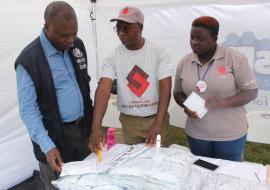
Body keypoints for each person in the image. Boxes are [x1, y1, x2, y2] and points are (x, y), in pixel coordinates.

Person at [15, 1, 93, 189]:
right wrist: (48, 146)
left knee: (89, 182)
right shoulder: (29, 60)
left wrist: (93, 126)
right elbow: (28, 110)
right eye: (64, 35)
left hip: (82, 132)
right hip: (55, 138)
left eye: (74, 33)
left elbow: (84, 84)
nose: (71, 40)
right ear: (46, 27)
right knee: (59, 185)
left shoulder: (77, 45)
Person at [89, 6, 174, 152]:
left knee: (159, 161)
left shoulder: (159, 52)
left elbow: (166, 88)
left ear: (140, 27)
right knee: (133, 163)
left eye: (126, 28)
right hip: (129, 122)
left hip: (156, 119)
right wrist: (96, 127)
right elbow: (103, 89)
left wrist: (158, 124)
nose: (121, 33)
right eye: (118, 28)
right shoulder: (113, 57)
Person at [173, 16, 258, 162]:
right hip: (197, 134)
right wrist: (186, 105)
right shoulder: (185, 61)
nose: (194, 42)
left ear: (215, 38)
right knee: (200, 173)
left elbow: (251, 91)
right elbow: (177, 92)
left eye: (200, 39)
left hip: (230, 135)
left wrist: (225, 103)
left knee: (227, 177)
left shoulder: (234, 58)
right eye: (192, 37)